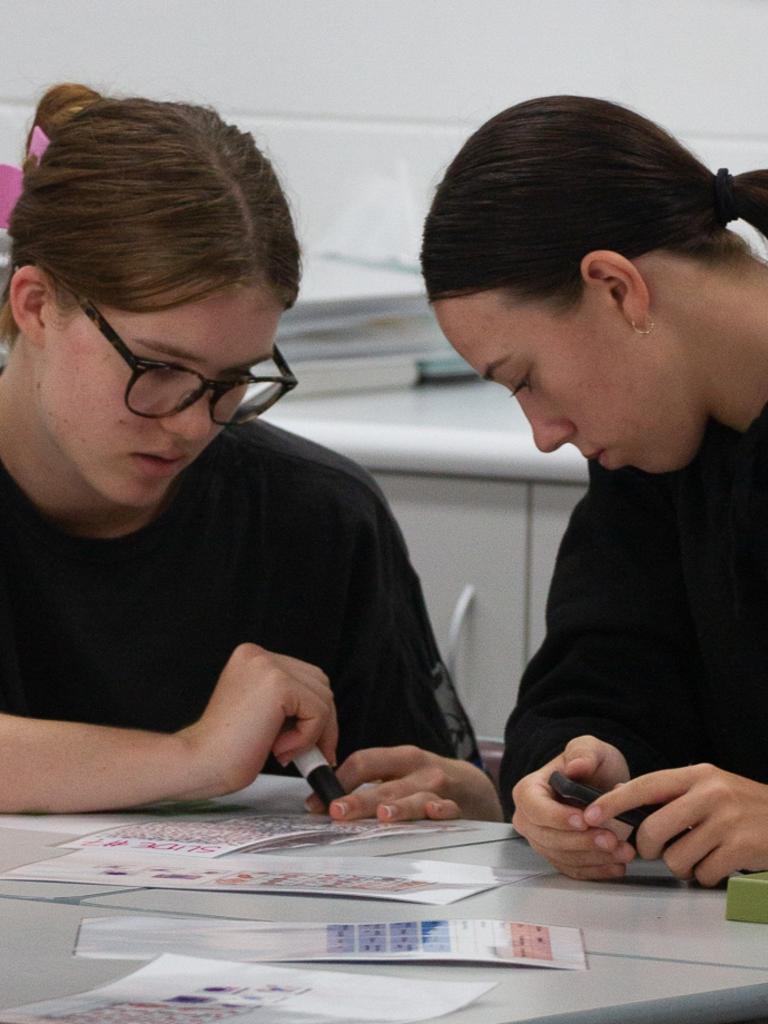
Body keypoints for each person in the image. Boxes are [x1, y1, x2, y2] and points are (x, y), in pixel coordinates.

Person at [0, 81, 480, 814]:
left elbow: (427, 798)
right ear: (35, 305)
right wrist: (192, 756)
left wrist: (473, 806)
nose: (195, 425)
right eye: (157, 369)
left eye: (232, 380)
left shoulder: (317, 519)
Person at [335, 93, 768, 888]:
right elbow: (594, 679)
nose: (543, 432)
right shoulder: (655, 455)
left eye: (525, 379)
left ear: (615, 288)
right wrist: (569, 777)